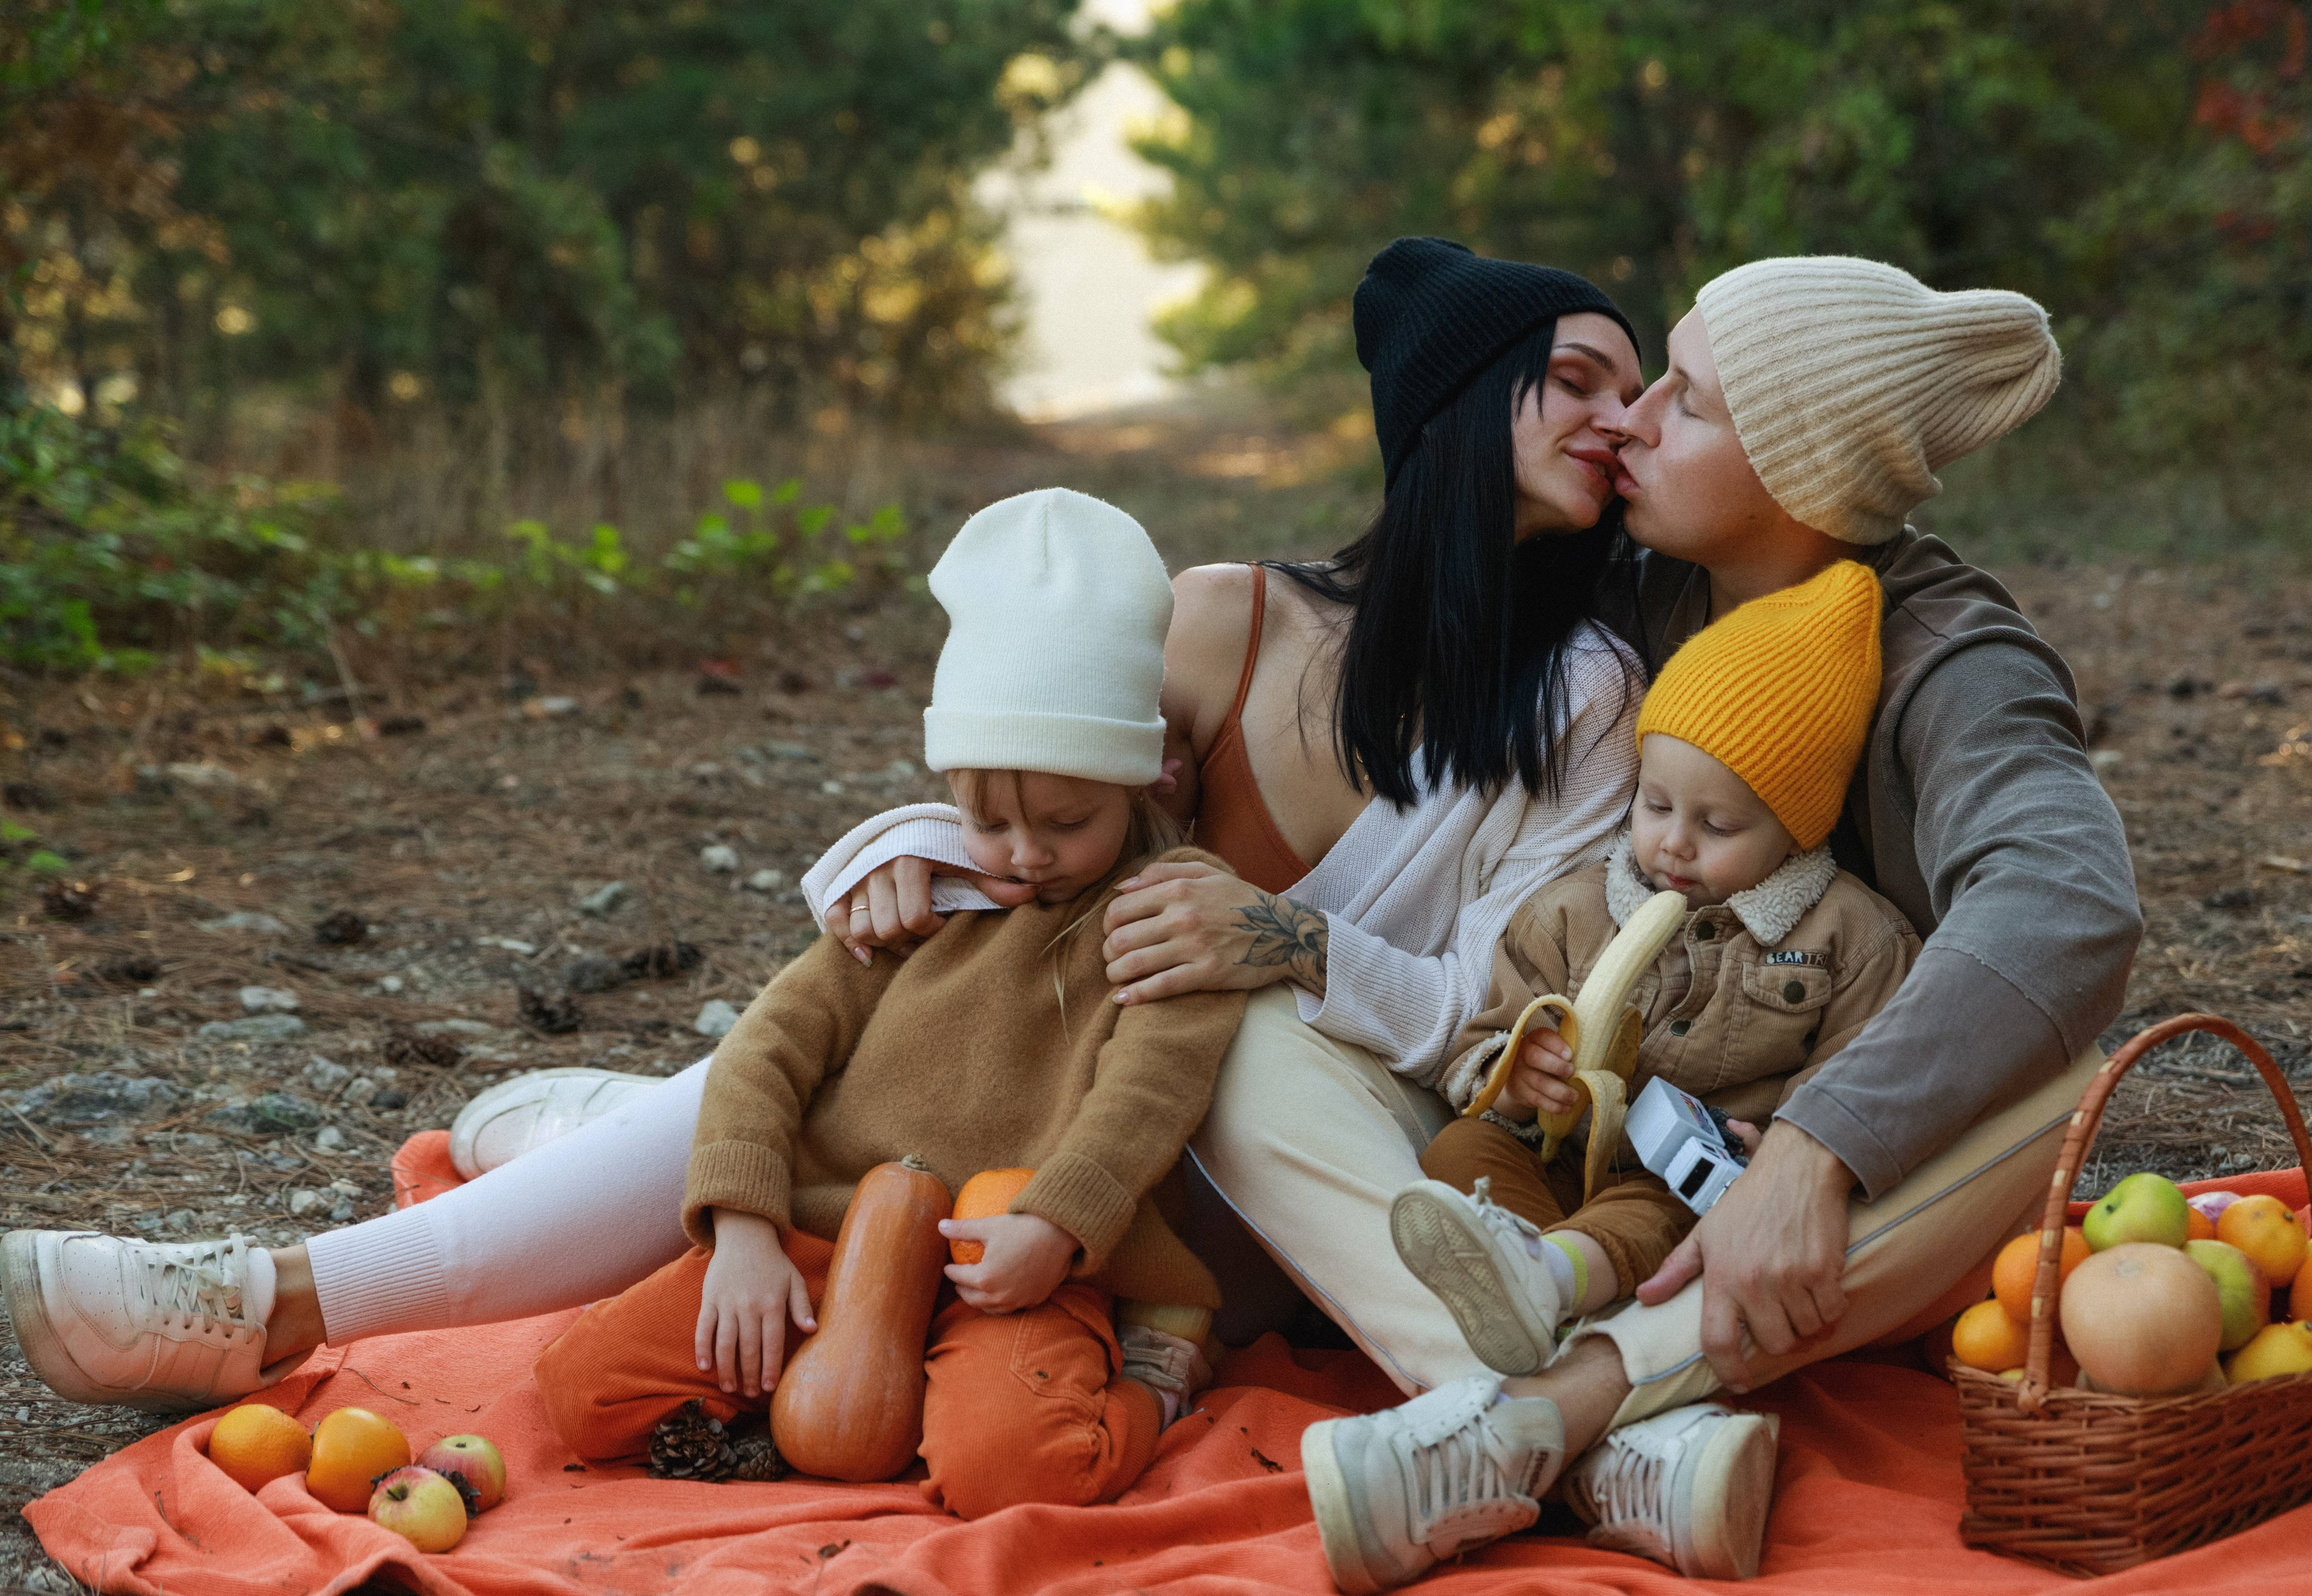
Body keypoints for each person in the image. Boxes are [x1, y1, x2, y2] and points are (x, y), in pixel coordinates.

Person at [0, 236, 1651, 1412]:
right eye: (1578, 376)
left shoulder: (1582, 697)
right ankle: (270, 1295)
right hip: (1017, 1091)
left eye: (1642, 395)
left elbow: (1502, 1031)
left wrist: (1283, 937)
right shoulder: (1225, 620)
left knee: (821, 1122)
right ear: (1458, 401)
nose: (1620, 417)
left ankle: (584, 1133)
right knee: (818, 1059)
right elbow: (1021, 791)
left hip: (1225, 1189)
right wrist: (891, 854)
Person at [1296, 257, 2140, 1596]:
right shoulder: (1635, 596)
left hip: (1837, 1175)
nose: (1633, 416)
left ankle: (1522, 1423)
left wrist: (1818, 1145)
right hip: (1572, 1121)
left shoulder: (1951, 653)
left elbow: (2071, 898)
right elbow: (1401, 602)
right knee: (1255, 1035)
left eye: (1685, 399)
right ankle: (1609, 1440)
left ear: (1806, 470)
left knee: (2061, 1090)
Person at [531, 489, 1245, 1517]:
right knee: (583, 1393)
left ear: (1144, 781)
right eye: (989, 819)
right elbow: (763, 1050)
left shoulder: (1163, 913)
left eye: (1066, 821)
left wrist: (1060, 1222)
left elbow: (1149, 1091)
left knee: (1017, 1471)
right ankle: (874, 1390)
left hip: (1018, 1256)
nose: (1025, 853)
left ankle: (1156, 1373)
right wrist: (742, 1231)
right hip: (842, 1238)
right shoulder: (916, 893)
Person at [1393, 558, 1916, 1389]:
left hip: (1691, 1182)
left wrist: (1786, 1140)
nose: (1674, 842)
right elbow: (1488, 1032)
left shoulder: (1848, 934)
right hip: (1556, 1155)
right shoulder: (1571, 908)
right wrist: (1517, 1071)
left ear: (1799, 828)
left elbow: (1865, 1065)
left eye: (1718, 823)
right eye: (1656, 804)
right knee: (1462, 1148)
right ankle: (1534, 1293)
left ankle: (1551, 1294)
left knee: (1649, 1212)